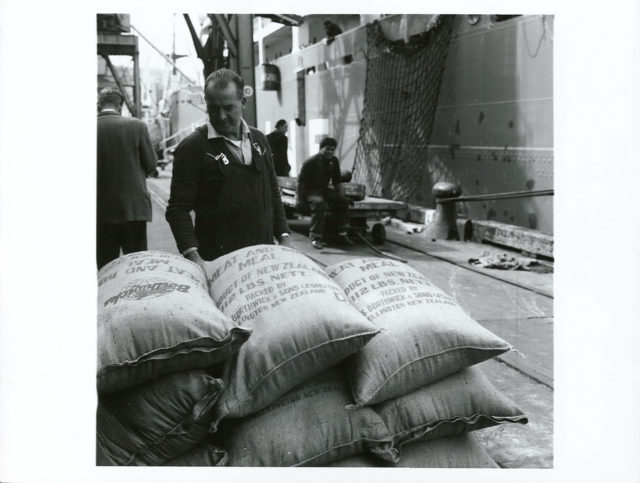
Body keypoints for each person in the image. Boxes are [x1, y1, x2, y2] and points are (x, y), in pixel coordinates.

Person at [166, 68, 290, 268]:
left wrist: (284, 237)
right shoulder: (194, 147)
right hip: (218, 262)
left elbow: (273, 193)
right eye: (213, 108)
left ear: (243, 102)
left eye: (228, 107)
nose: (221, 116)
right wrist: (195, 258)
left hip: (265, 257)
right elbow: (177, 210)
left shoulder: (260, 140)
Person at [97, 87, 158, 270]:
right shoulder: (137, 126)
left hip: (100, 212)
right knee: (136, 268)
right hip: (134, 210)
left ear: (99, 105)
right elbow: (152, 165)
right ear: (121, 105)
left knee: (106, 269)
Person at [297, 137, 353, 249]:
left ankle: (342, 234)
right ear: (321, 149)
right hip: (310, 191)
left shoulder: (334, 161)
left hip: (323, 189)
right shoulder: (310, 162)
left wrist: (341, 196)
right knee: (319, 203)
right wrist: (299, 200)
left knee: (342, 202)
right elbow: (300, 183)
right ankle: (316, 237)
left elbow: (337, 181)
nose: (330, 152)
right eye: (327, 149)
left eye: (332, 149)